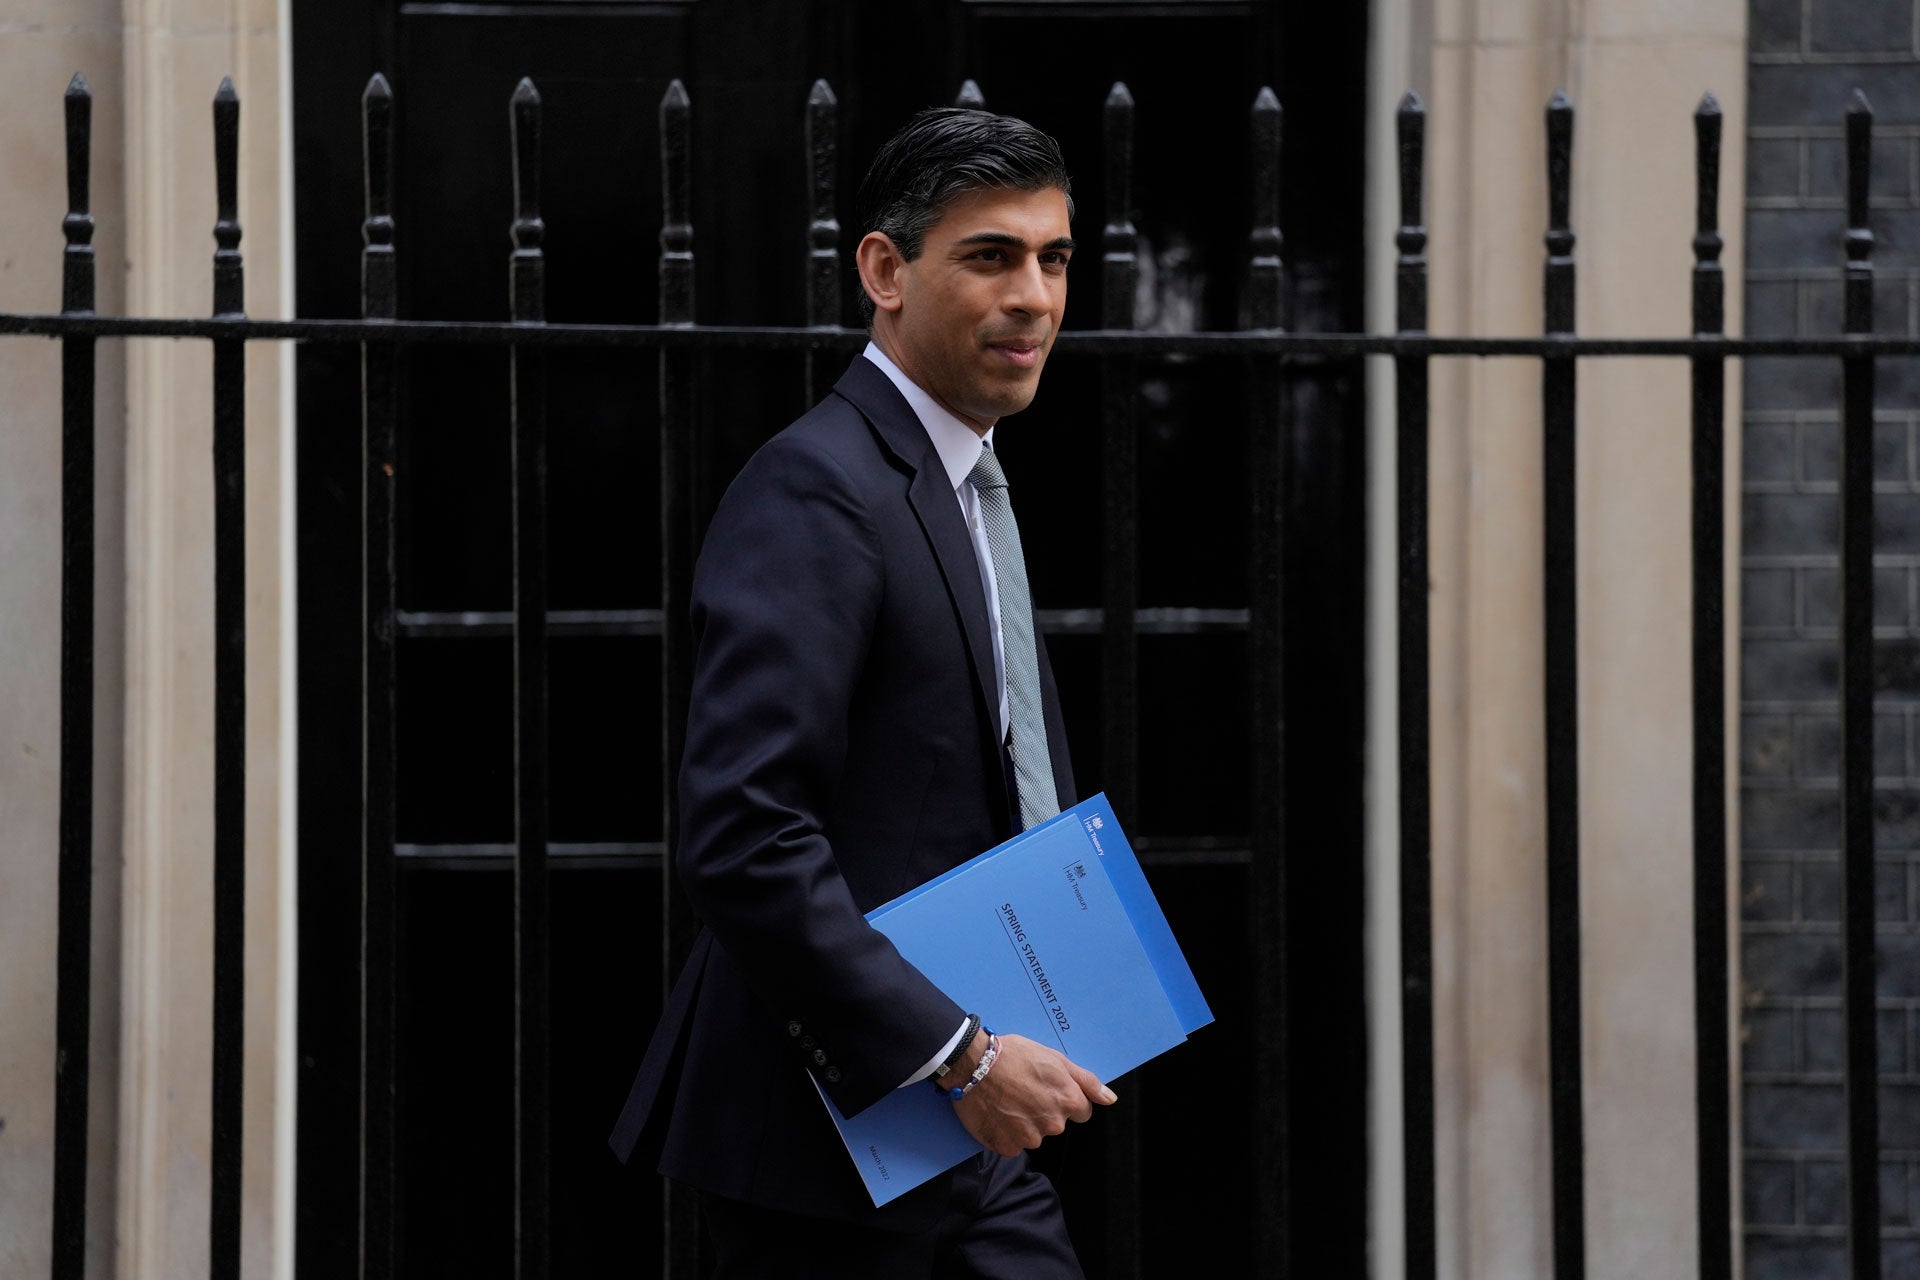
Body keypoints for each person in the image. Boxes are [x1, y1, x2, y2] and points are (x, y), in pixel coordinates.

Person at [608, 106, 1113, 1278]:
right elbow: (745, 831)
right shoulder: (819, 490)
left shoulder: (961, 477)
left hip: (965, 1133)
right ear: (885, 271)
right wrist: (963, 1056)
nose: (1035, 295)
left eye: (1054, 259)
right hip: (827, 1145)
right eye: (990, 256)